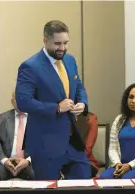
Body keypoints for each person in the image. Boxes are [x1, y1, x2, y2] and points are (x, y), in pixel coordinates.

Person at [15, 20, 91, 180]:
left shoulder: (70, 60)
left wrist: (82, 103)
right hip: (45, 143)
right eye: (57, 43)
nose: (62, 48)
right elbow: (23, 101)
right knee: (48, 187)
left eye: (65, 43)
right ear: (45, 40)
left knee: (84, 180)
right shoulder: (30, 66)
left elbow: (79, 87)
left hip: (72, 140)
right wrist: (56, 107)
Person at [0, 92, 34, 181]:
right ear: (12, 102)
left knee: (39, 175)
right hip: (5, 164)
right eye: (17, 99)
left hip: (28, 163)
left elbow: (43, 145)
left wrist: (28, 161)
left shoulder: (37, 119)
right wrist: (5, 161)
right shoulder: (1, 119)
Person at [76, 112, 100, 178]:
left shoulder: (91, 118)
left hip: (86, 161)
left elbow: (88, 147)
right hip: (60, 162)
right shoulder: (59, 116)